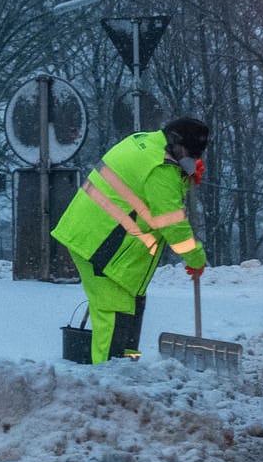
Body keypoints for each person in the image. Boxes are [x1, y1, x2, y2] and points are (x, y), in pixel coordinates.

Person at [51, 117, 210, 364]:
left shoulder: (144, 142)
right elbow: (172, 224)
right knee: (116, 318)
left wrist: (183, 177)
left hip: (95, 236)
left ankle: (128, 368)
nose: (192, 160)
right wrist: (195, 257)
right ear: (176, 142)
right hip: (103, 247)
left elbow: (145, 192)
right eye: (189, 154)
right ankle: (108, 382)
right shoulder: (161, 169)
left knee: (131, 310)